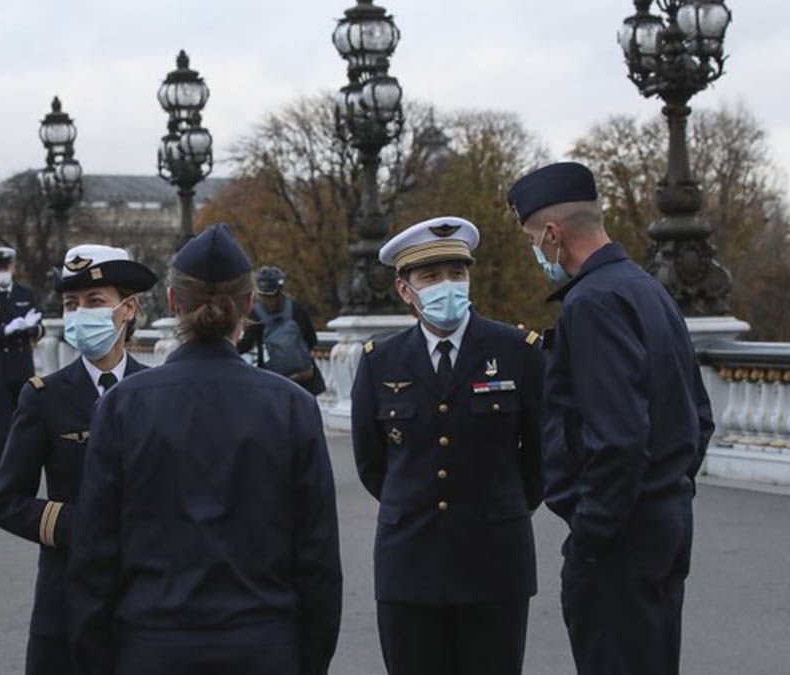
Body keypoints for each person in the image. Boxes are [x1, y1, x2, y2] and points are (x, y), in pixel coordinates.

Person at [67, 224, 343, 675]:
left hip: (151, 644)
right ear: (249, 304)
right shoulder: (292, 405)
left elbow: (94, 557)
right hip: (264, 644)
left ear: (174, 303)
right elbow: (318, 561)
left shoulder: (123, 404)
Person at [508, 162, 714, 675]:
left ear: (553, 234)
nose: (536, 251)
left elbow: (617, 436)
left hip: (621, 538)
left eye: (533, 238)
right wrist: (670, 489)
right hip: (664, 520)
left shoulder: (592, 304)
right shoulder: (647, 289)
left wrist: (593, 532)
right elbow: (700, 415)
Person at [350, 217, 545, 675]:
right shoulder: (381, 361)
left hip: (495, 562)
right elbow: (372, 462)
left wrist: (505, 505)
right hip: (409, 565)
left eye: (457, 274)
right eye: (431, 277)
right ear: (405, 290)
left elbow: (540, 455)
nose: (447, 286)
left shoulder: (518, 350)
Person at [0, 244, 158, 675]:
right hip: (66, 596)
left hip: (145, 594)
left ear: (129, 308)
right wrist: (82, 527)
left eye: (95, 302)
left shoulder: (157, 392)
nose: (80, 313)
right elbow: (6, 502)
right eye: (71, 304)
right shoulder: (43, 397)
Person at [0, 247, 44, 471]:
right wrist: (4, 330)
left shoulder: (25, 294)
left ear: (12, 267)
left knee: (25, 427)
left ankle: (23, 475)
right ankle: (2, 480)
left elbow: (40, 328)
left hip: (22, 367)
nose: (2, 271)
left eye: (5, 267)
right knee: (0, 430)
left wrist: (32, 328)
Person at [238, 266, 325, 396]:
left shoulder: (255, 314)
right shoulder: (296, 309)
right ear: (280, 289)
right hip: (305, 381)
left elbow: (246, 344)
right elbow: (312, 340)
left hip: (272, 383)